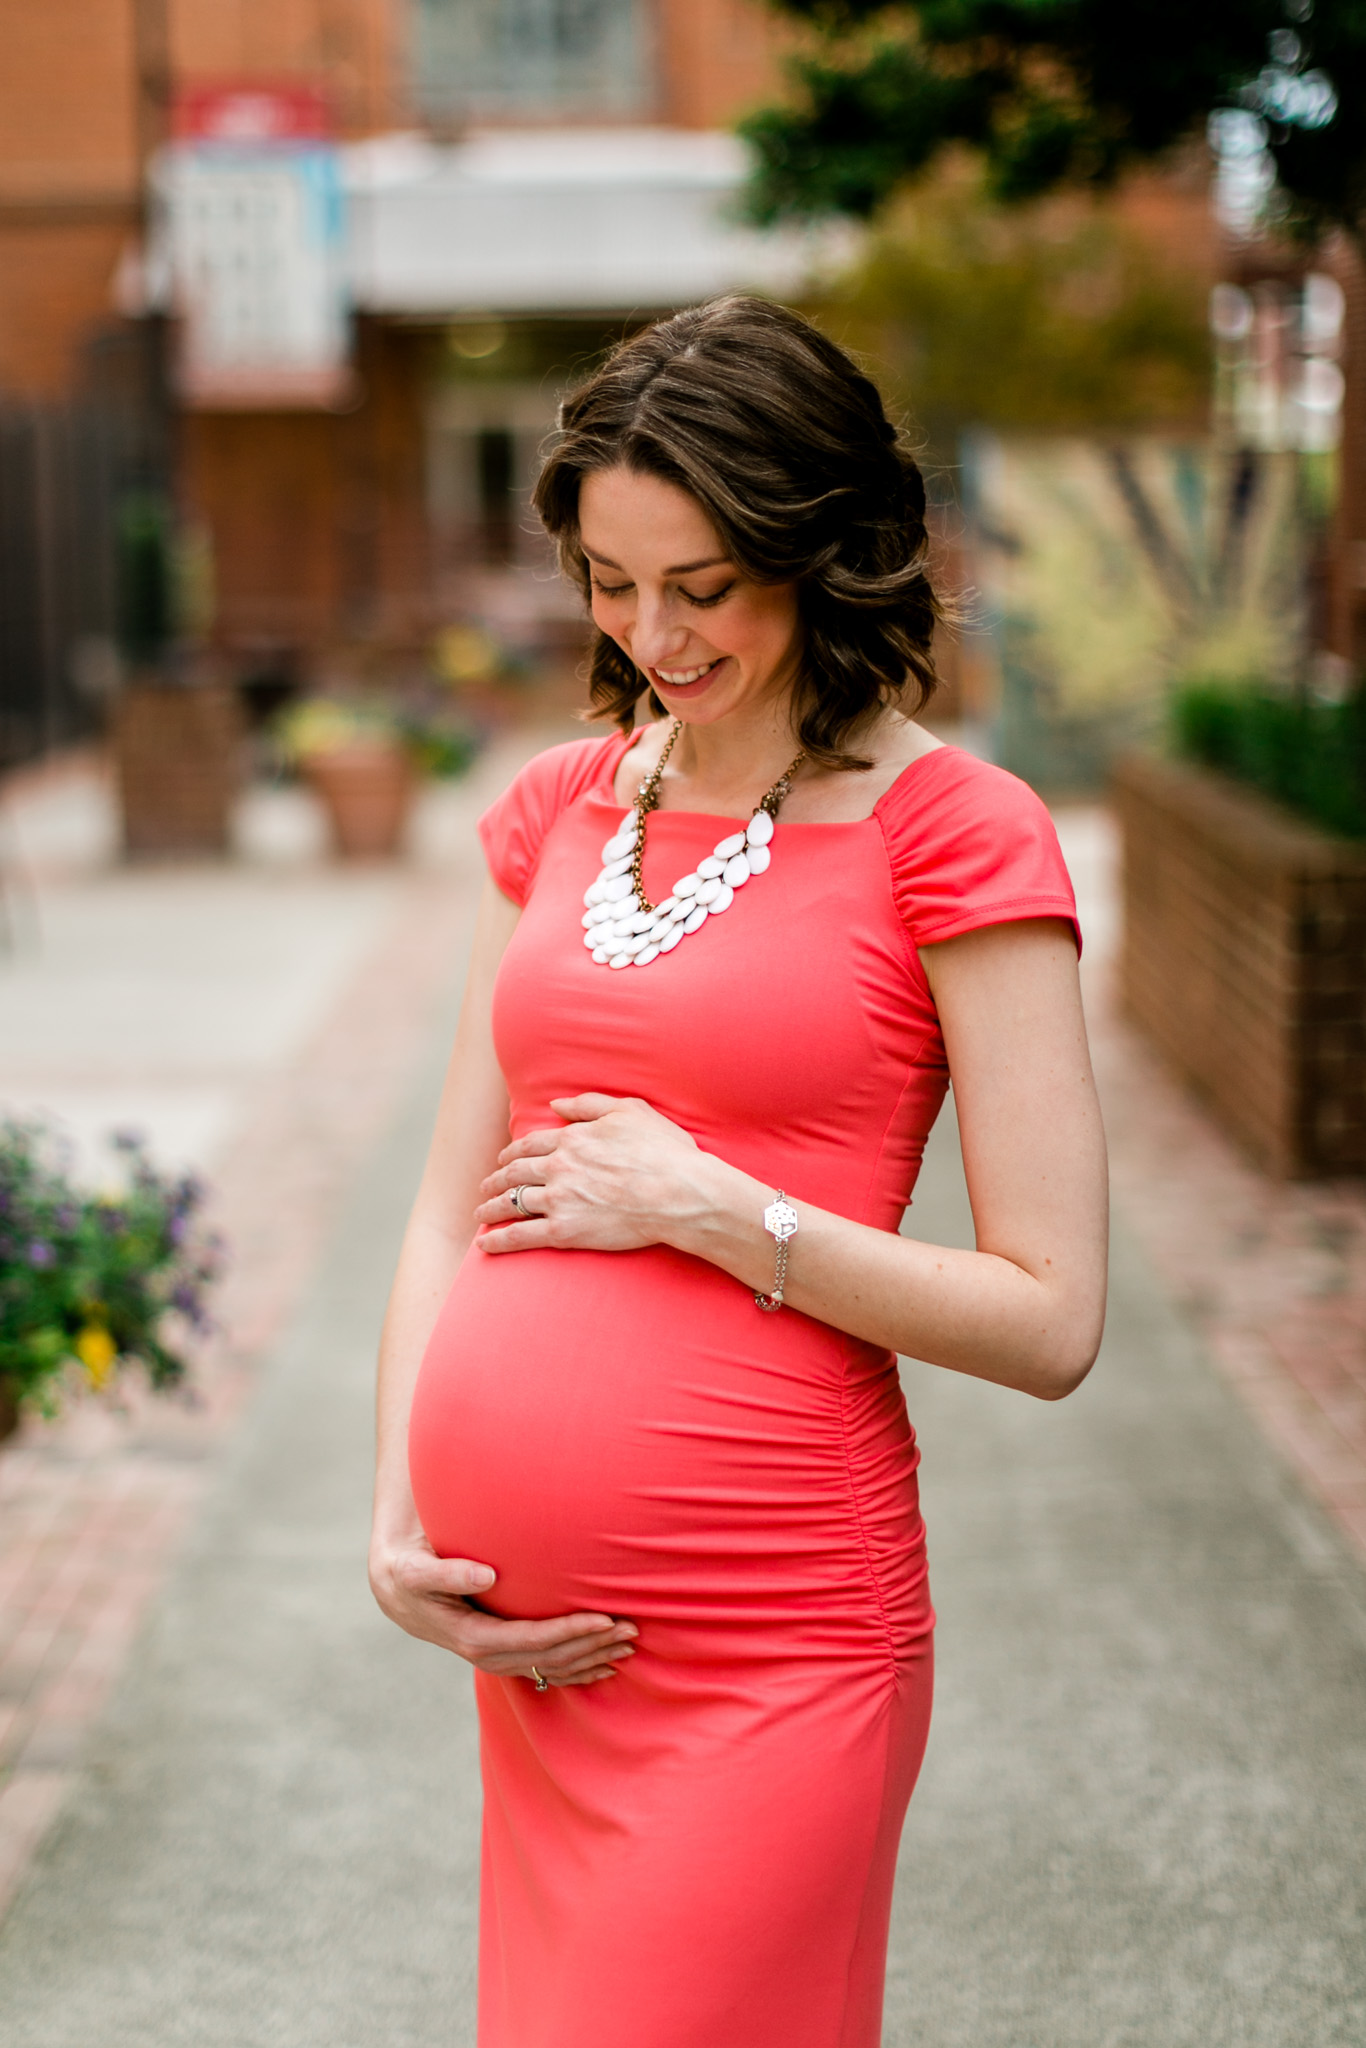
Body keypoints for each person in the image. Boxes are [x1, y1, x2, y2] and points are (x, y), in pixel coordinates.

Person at [369, 296, 1108, 2048]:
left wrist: (708, 1207)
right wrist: (398, 1511)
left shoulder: (955, 831)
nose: (651, 632)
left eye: (700, 585)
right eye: (613, 584)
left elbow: (1052, 1316)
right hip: (543, 1667)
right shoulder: (558, 806)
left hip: (781, 1642)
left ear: (827, 550)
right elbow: (440, 1203)